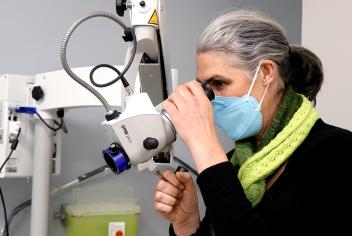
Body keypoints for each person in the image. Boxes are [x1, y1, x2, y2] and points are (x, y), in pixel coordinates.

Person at [153, 10, 352, 235]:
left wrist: (205, 147)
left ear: (266, 72)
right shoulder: (238, 162)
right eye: (205, 88)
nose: (211, 100)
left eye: (219, 83)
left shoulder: (338, 151)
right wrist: (187, 224)